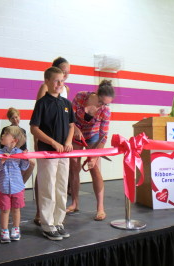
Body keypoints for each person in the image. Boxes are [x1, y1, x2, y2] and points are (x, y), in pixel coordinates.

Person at [30, 66, 75, 241]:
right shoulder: (42, 103)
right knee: (48, 187)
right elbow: (34, 128)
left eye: (62, 81)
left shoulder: (66, 104)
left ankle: (58, 222)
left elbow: (71, 125)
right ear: (47, 82)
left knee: (62, 187)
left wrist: (68, 142)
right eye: (56, 81)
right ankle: (47, 224)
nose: (59, 84)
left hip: (64, 155)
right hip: (47, 153)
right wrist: (53, 143)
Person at [67, 80, 115, 221]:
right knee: (74, 167)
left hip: (93, 137)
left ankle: (100, 208)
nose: (103, 106)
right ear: (96, 94)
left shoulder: (105, 111)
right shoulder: (81, 97)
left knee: (95, 168)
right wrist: (75, 129)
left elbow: (103, 136)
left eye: (107, 104)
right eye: (101, 101)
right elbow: (70, 116)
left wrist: (95, 156)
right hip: (76, 133)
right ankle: (75, 203)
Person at [0, 126, 30, 243]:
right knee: (4, 210)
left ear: (14, 140)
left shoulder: (19, 153)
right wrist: (2, 160)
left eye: (6, 134)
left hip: (17, 186)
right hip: (3, 186)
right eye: (3, 134)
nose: (2, 136)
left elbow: (24, 167)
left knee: (16, 209)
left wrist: (25, 158)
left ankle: (15, 229)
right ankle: (4, 231)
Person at [0, 107, 35, 183]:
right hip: (9, 154)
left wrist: (24, 152)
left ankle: (21, 184)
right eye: (12, 118)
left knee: (32, 163)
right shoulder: (5, 129)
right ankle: (17, 185)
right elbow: (2, 146)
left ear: (19, 117)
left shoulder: (23, 131)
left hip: (19, 154)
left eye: (16, 117)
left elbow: (24, 147)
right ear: (9, 120)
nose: (15, 120)